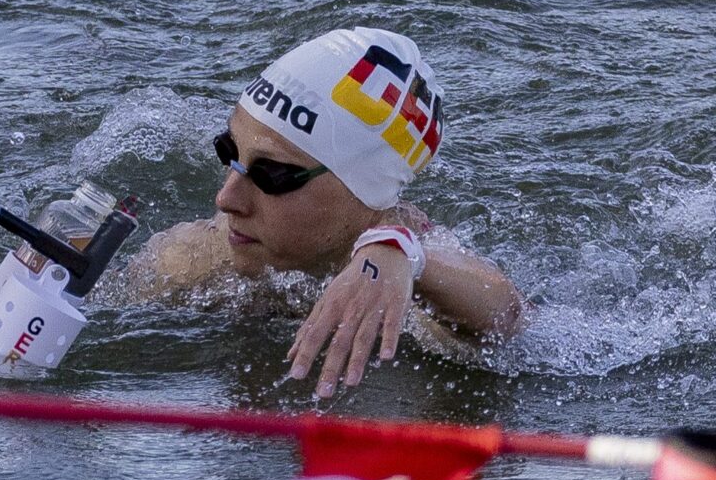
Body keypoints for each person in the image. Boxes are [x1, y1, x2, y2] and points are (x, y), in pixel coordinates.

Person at [133, 27, 525, 398]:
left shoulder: (405, 275)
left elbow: (507, 317)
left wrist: (403, 254)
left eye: (273, 175)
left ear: (364, 192)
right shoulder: (196, 256)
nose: (226, 199)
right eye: (228, 151)